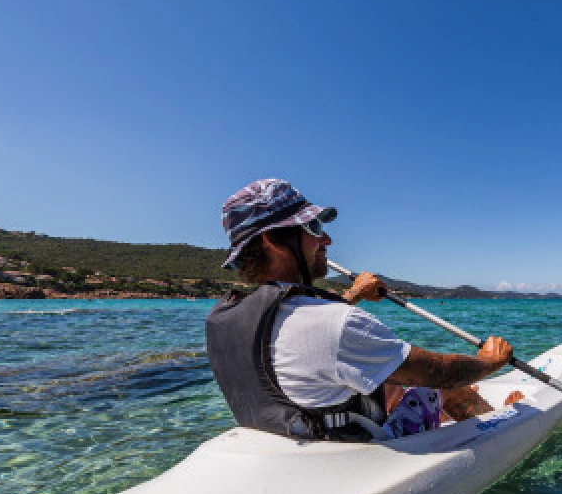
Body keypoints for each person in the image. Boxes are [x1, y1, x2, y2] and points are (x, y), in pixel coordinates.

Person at [206, 178, 523, 441]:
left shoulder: (225, 321)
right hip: (350, 453)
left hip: (294, 438)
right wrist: (489, 362)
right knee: (442, 388)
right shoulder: (334, 324)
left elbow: (310, 339)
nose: (326, 239)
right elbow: (443, 372)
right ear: (274, 240)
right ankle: (500, 425)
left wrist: (354, 294)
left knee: (387, 380)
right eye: (314, 227)